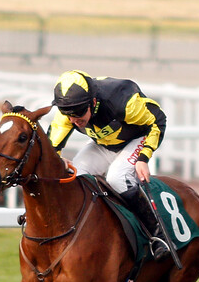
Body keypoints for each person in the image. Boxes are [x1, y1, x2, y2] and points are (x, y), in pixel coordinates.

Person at [48, 70, 169, 258]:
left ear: (93, 102)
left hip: (136, 139)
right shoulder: (70, 109)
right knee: (76, 177)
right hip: (105, 144)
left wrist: (144, 158)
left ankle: (158, 234)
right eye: (67, 114)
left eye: (78, 113)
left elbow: (157, 121)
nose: (73, 120)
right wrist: (56, 158)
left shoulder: (122, 101)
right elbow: (53, 145)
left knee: (117, 178)